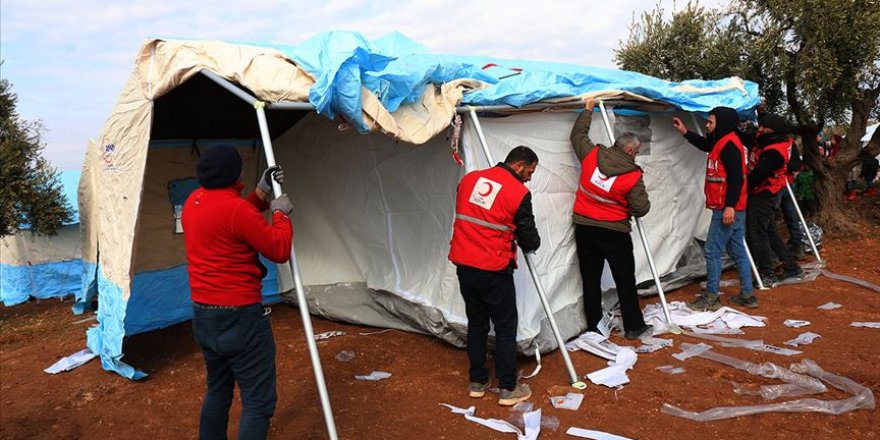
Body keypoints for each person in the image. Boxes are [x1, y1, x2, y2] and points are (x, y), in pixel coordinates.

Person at [183, 145, 293, 440]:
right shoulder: (236, 210)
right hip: (240, 318)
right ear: (234, 173)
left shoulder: (194, 202)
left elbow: (233, 222)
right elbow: (279, 249)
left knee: (218, 390)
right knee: (257, 402)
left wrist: (261, 193)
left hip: (205, 316)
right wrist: (280, 214)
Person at [448, 146, 541, 407]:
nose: (530, 177)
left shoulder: (469, 179)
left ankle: (477, 382)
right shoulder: (518, 193)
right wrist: (533, 243)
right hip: (494, 268)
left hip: (464, 264)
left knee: (476, 324)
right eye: (530, 171)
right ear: (520, 165)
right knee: (504, 326)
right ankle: (508, 387)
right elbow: (528, 235)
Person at [569, 98, 653, 339]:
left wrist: (588, 109)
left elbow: (578, 134)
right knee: (625, 280)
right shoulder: (632, 175)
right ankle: (634, 326)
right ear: (629, 150)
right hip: (615, 233)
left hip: (585, 227)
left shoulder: (592, 155)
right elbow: (641, 208)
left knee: (590, 278)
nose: (636, 156)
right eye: (636, 152)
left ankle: (595, 327)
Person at [672, 107, 754, 311]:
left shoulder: (729, 146)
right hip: (733, 207)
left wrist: (729, 207)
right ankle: (748, 295)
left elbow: (736, 179)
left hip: (726, 208)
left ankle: (711, 295)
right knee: (737, 250)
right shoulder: (721, 141)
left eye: (710, 122)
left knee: (712, 250)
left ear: (722, 123)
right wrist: (685, 131)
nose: (707, 125)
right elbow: (705, 144)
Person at [745, 114, 804, 291]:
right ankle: (791, 266)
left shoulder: (775, 152)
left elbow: (757, 177)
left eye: (764, 128)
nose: (760, 130)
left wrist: (736, 185)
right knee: (769, 231)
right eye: (760, 126)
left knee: (757, 233)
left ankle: (766, 273)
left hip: (765, 194)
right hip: (768, 191)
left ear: (774, 131)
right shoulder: (767, 141)